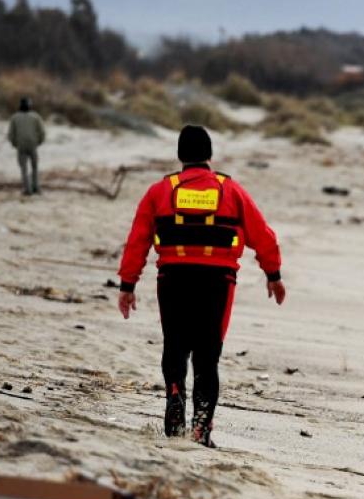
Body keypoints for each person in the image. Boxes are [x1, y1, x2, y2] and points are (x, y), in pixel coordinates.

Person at [116, 125, 285, 447]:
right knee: (207, 356)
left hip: (173, 277)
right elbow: (263, 236)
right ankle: (201, 427)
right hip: (217, 281)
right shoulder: (231, 191)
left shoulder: (160, 191)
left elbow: (137, 241)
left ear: (180, 156)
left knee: (175, 345)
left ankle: (175, 394)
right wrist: (273, 275)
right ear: (209, 155)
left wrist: (128, 284)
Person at [7, 97, 46, 196]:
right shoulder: (35, 117)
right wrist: (38, 143)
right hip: (33, 144)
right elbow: (42, 132)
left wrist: (15, 144)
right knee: (35, 167)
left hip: (21, 145)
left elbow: (11, 134)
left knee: (23, 168)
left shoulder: (15, 117)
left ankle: (27, 189)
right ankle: (36, 187)